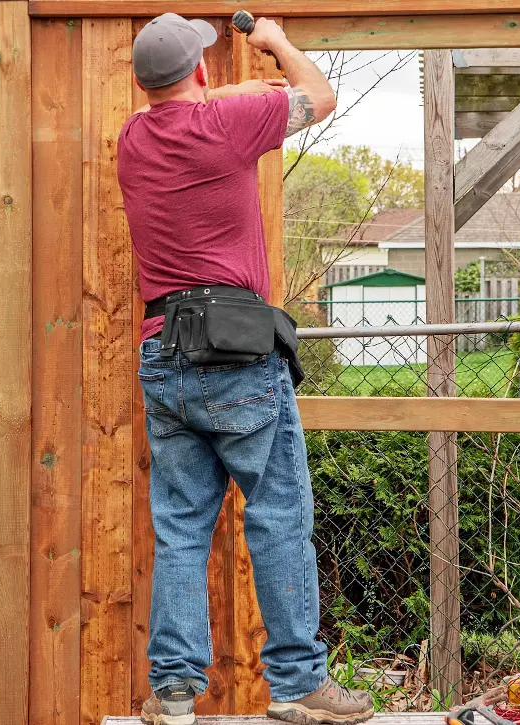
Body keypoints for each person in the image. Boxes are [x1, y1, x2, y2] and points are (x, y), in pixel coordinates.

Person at [117, 13, 374, 725]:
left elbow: (191, 104)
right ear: (199, 71)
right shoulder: (232, 126)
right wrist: (280, 43)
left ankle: (172, 691)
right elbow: (320, 96)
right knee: (280, 514)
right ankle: (296, 682)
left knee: (180, 528)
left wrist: (230, 90)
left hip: (163, 352)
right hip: (235, 348)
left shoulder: (133, 140)